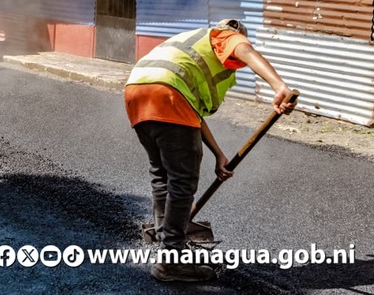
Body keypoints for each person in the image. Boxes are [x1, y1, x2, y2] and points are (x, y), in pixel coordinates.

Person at [124, 19, 296, 283]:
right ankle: (171, 259)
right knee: (182, 181)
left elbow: (193, 117)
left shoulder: (191, 43)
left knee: (162, 175)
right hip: (169, 97)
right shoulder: (226, 35)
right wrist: (279, 86)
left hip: (137, 93)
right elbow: (245, 50)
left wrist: (218, 154)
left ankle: (165, 235)